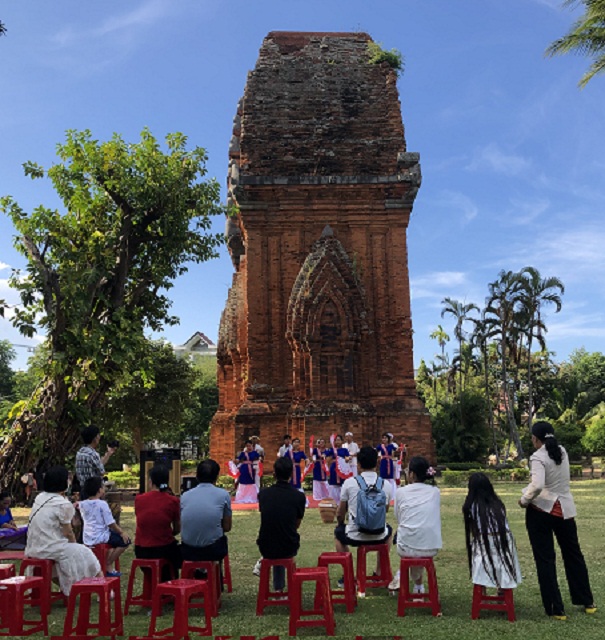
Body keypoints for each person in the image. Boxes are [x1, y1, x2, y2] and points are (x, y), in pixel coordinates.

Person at [519, 420, 596, 618]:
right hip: (565, 510)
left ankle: (556, 608)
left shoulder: (537, 457)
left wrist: (524, 500)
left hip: (541, 510)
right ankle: (587, 601)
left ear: (535, 439)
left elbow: (537, 486)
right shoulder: (562, 451)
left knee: (545, 559)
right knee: (573, 555)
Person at [25, 465, 102, 595]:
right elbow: (68, 532)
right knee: (85, 552)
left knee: (69, 555)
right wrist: (75, 545)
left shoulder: (40, 497)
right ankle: (101, 586)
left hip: (33, 547)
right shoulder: (63, 503)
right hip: (50, 547)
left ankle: (67, 585)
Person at [388, 456, 441, 592]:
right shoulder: (435, 492)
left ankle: (407, 578)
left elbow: (399, 518)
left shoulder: (401, 492)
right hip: (431, 546)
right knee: (417, 538)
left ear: (412, 474)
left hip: (406, 545)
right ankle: (418, 586)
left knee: (409, 538)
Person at [334, 446, 392, 570]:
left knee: (338, 534)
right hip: (379, 534)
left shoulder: (349, 483)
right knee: (389, 531)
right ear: (377, 463)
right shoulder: (385, 484)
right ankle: (379, 571)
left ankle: (348, 573)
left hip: (355, 534)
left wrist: (340, 523)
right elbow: (385, 510)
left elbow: (340, 512)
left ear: (359, 465)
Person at [463, 472, 521, 591]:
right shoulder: (498, 503)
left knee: (478, 553)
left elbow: (475, 532)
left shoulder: (471, 506)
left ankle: (482, 591)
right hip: (506, 543)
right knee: (499, 561)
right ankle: (502, 590)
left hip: (486, 543)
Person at [257, 456, 306, 593]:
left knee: (275, 534)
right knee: (283, 536)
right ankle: (280, 587)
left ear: (274, 474)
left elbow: (269, 517)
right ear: (291, 474)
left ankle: (278, 587)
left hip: (265, 545)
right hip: (288, 544)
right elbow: (296, 524)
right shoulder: (298, 496)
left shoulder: (264, 494)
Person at [134, 464, 181, 580]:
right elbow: (177, 528)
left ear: (150, 481)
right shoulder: (172, 500)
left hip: (141, 550)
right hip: (163, 549)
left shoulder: (139, 499)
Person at [181, 459, 232, 563]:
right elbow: (227, 527)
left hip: (187, 550)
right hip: (211, 550)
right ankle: (216, 577)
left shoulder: (185, 496)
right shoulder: (223, 495)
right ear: (217, 477)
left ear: (197, 476)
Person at [79, 476, 131, 575]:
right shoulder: (102, 504)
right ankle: (108, 563)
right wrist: (122, 532)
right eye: (103, 487)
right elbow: (111, 523)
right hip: (101, 536)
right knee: (125, 541)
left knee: (111, 546)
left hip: (87, 538)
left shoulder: (82, 504)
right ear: (99, 490)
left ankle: (108, 562)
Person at [74, 426, 117, 498]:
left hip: (83, 490)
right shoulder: (93, 454)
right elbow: (102, 471)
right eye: (98, 435)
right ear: (95, 438)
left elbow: (98, 464)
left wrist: (108, 453)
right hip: (94, 493)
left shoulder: (80, 452)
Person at [326, 434, 350, 503]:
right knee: (333, 484)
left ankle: (342, 501)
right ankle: (334, 501)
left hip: (342, 468)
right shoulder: (332, 449)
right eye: (336, 440)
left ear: (342, 441)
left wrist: (347, 458)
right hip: (334, 467)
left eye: (339, 440)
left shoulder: (344, 450)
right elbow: (325, 454)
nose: (338, 442)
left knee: (342, 484)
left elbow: (347, 457)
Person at [376, 433, 398, 499]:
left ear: (388, 439)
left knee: (390, 478)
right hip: (383, 462)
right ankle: (382, 493)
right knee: (383, 476)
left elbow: (397, 450)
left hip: (389, 462)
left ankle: (392, 494)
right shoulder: (380, 446)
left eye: (385, 438)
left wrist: (402, 448)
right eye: (383, 438)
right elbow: (375, 450)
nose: (384, 439)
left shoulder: (391, 446)